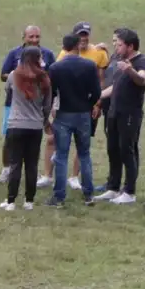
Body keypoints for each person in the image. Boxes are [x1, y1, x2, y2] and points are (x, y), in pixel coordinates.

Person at [46, 32, 102, 206]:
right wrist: (89, 104)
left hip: (63, 114)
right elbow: (97, 92)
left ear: (64, 47)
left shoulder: (56, 68)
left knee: (61, 155)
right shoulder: (90, 65)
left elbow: (52, 93)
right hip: (83, 114)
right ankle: (88, 195)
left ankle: (59, 197)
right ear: (78, 46)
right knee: (84, 154)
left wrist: (53, 110)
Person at [0, 26, 55, 195]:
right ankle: (6, 169)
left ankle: (23, 180)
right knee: (9, 138)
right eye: (31, 36)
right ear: (24, 37)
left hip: (35, 106)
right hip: (14, 104)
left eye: (37, 36)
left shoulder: (48, 54)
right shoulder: (14, 54)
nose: (35, 40)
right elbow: (3, 75)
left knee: (30, 146)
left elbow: (51, 76)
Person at [99, 29, 145, 205]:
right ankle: (113, 187)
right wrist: (98, 96)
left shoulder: (142, 61)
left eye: (119, 44)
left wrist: (130, 70)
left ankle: (129, 191)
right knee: (112, 149)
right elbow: (115, 87)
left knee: (127, 150)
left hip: (130, 113)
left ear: (131, 46)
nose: (116, 46)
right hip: (113, 111)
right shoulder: (117, 59)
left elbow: (142, 79)